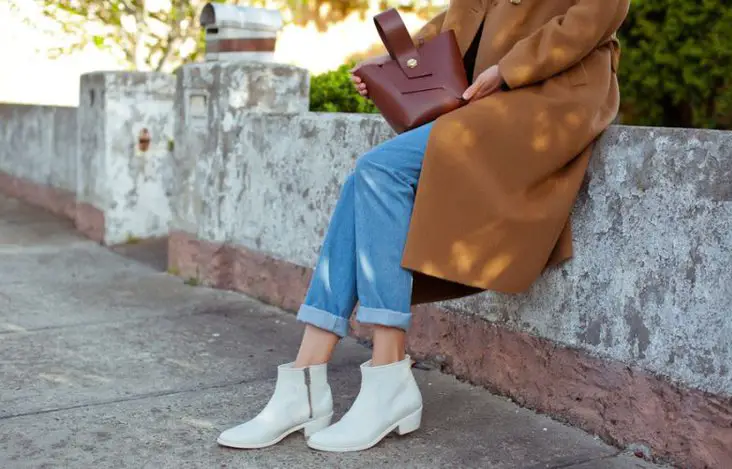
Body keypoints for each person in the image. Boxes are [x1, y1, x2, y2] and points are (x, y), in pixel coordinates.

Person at [218, 0, 630, 453]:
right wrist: (398, 59)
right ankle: (305, 380)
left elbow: (593, 18)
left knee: (380, 169)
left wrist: (508, 69)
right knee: (364, 181)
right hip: (493, 93)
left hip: (552, 94)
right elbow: (465, 16)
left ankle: (389, 372)